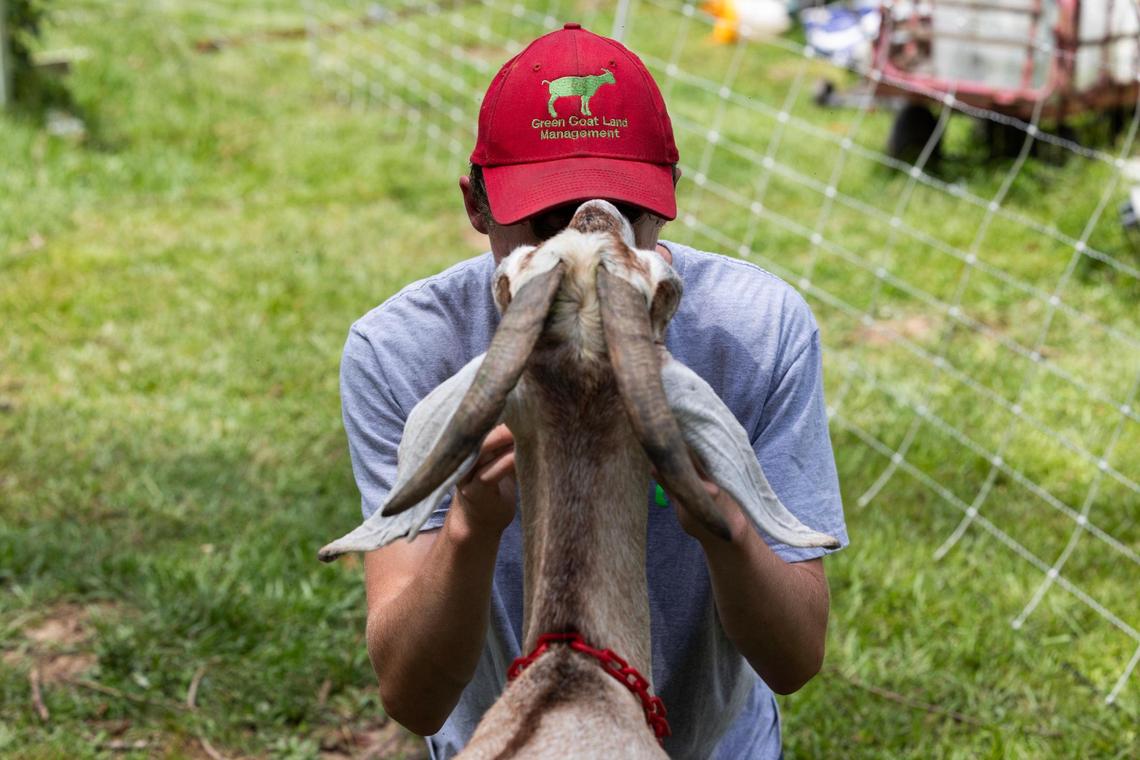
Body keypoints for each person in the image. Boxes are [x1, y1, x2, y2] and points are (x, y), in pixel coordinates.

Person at [339, 23, 848, 760]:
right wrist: (469, 524)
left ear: (666, 204)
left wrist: (721, 513)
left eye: (625, 216)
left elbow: (795, 660)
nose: (584, 246)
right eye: (544, 223)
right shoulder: (403, 349)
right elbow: (413, 697)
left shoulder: (758, 329)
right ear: (476, 207)